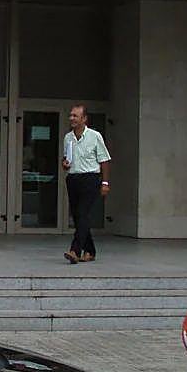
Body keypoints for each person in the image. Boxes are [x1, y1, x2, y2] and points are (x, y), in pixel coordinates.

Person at [62, 104, 111, 264]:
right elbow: (66, 159)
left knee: (83, 213)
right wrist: (65, 164)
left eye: (75, 116)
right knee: (78, 216)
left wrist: (105, 182)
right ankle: (90, 250)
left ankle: (75, 250)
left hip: (90, 178)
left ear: (84, 119)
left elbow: (104, 160)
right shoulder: (68, 138)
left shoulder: (95, 136)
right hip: (73, 179)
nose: (72, 118)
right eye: (71, 115)